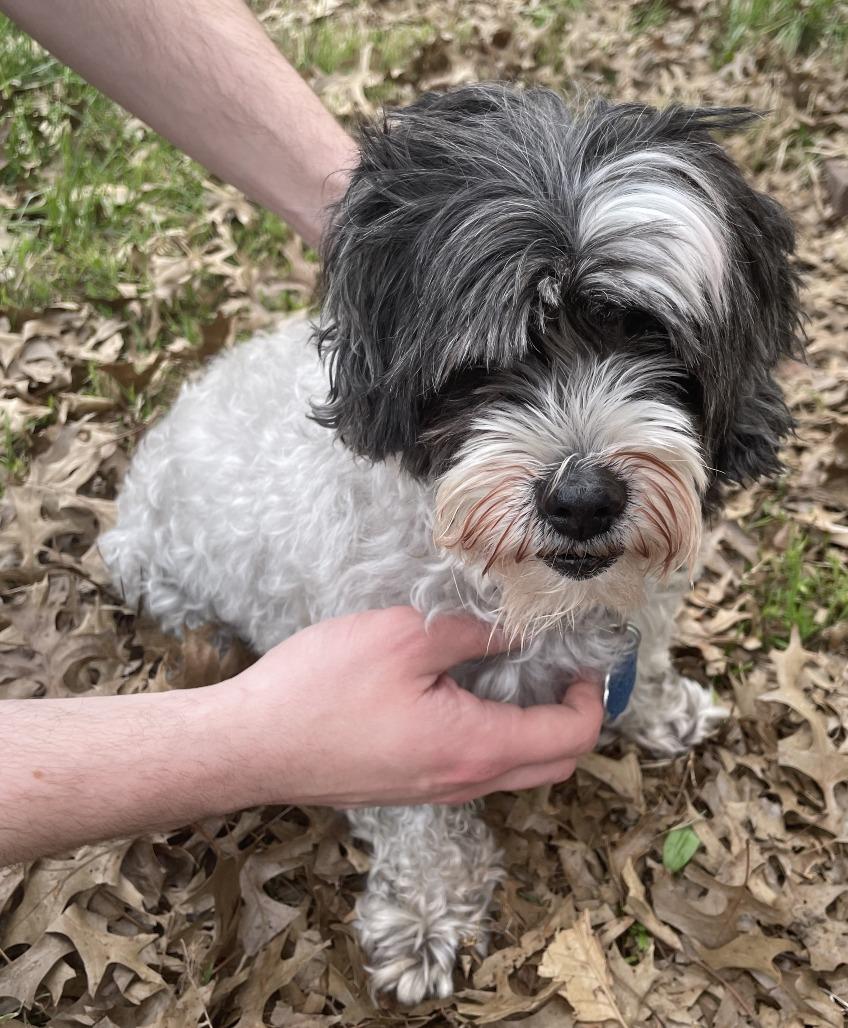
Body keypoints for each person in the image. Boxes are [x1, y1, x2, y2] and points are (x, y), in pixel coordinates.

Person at [0, 0, 605, 866]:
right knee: (161, 581)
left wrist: (382, 223)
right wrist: (244, 740)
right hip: (182, 563)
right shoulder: (366, 554)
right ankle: (427, 870)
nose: (584, 476)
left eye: (645, 344)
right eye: (484, 369)